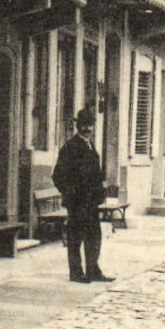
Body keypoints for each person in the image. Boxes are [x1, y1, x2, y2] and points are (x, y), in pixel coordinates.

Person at [52, 107, 111, 284]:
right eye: (84, 125)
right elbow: (58, 176)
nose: (87, 129)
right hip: (77, 203)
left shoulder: (91, 146)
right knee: (76, 238)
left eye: (90, 125)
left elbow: (95, 173)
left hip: (91, 202)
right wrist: (72, 194)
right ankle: (76, 272)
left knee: (94, 236)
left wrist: (101, 186)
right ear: (78, 126)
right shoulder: (70, 148)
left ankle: (93, 270)